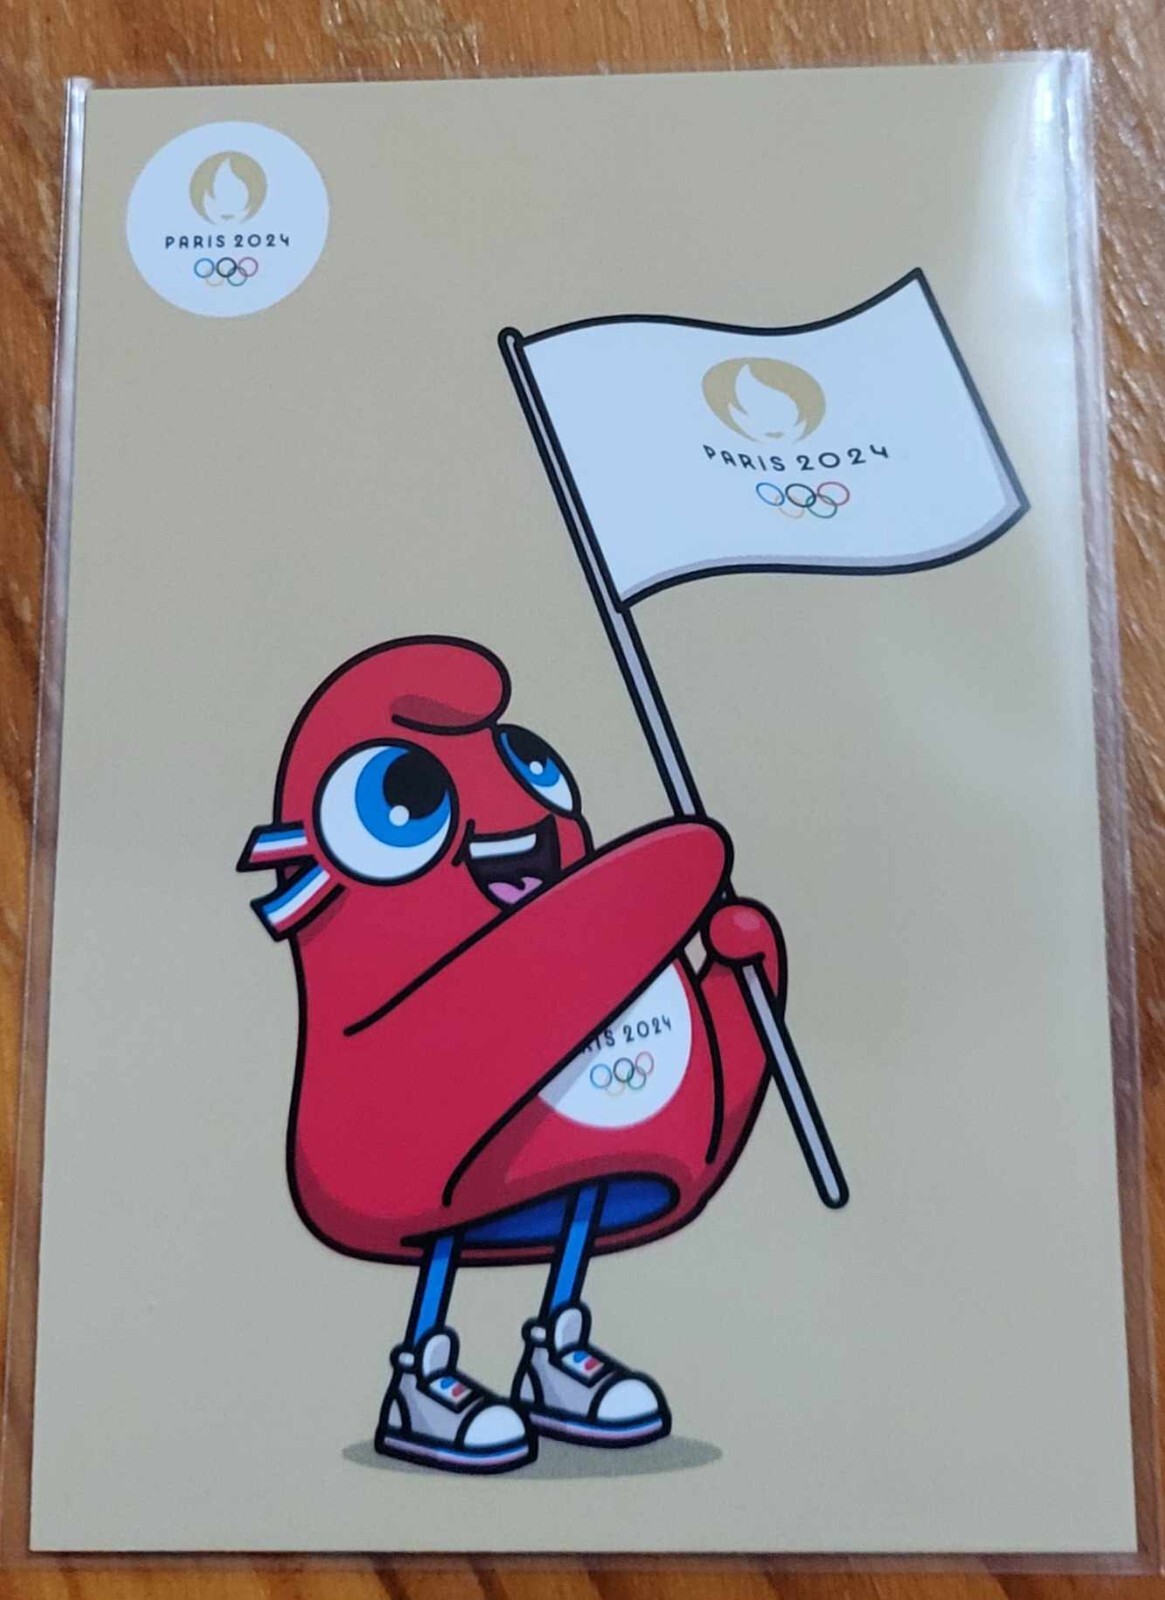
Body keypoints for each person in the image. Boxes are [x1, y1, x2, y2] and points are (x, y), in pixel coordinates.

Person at [240, 636, 781, 1473]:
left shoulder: (591, 930)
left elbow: (707, 1079)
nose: (516, 818)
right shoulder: (412, 982)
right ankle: (422, 1376)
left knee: (581, 1176)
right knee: (458, 1191)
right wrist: (660, 884)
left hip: (594, 1103)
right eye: (405, 797)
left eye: (527, 764)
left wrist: (742, 975)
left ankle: (557, 1351)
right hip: (437, 1146)